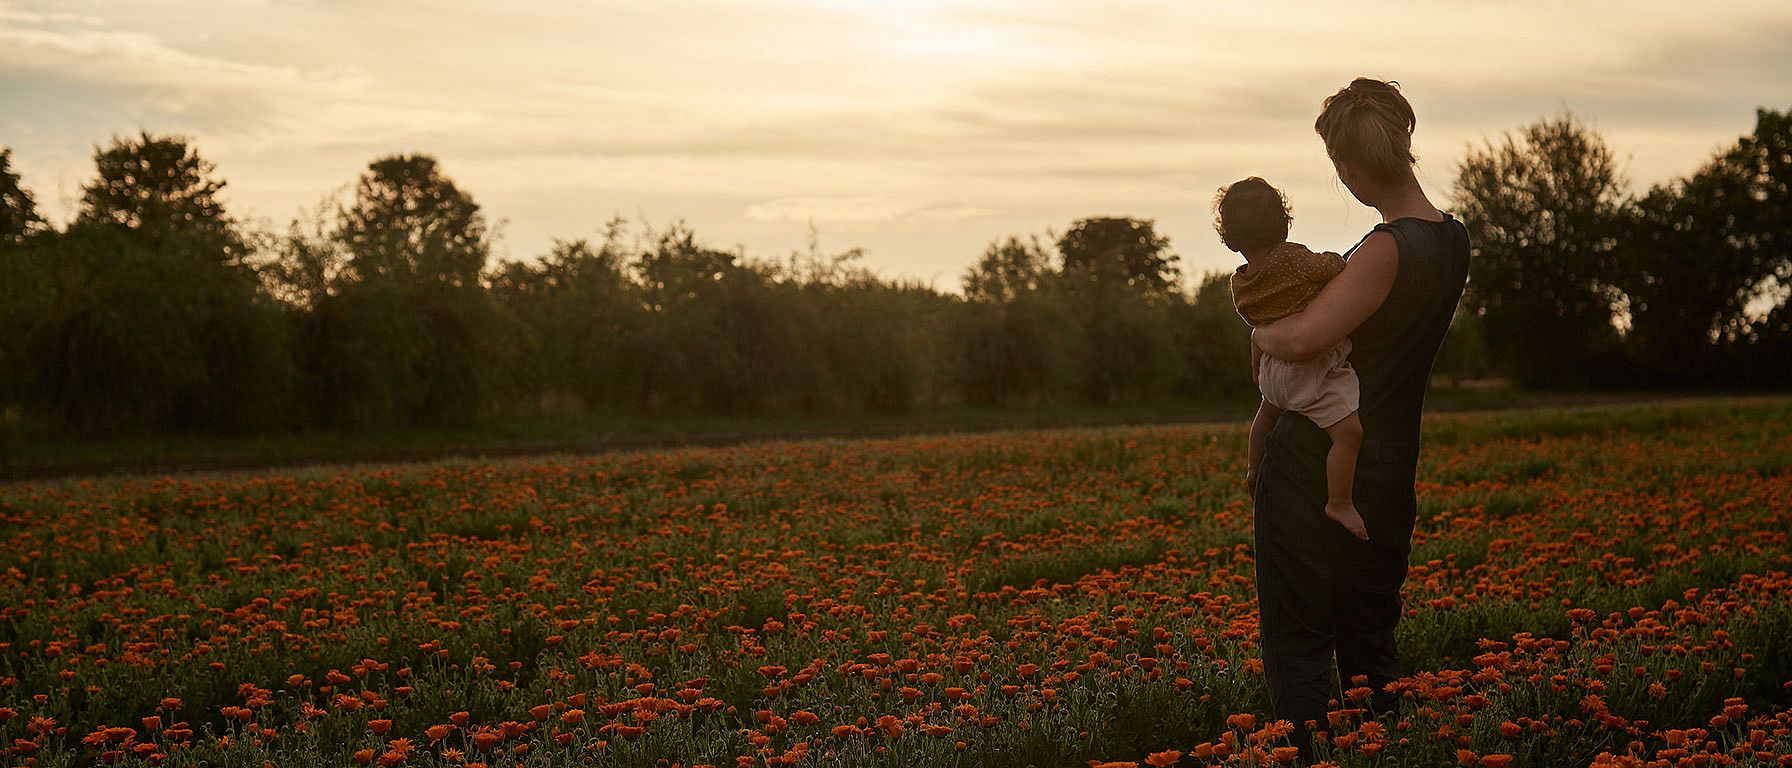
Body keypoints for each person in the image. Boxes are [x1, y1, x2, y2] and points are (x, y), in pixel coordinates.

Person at [1248, 78, 1471, 762]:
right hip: (1389, 462)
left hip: (1312, 462)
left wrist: (1261, 334)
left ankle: (1307, 755)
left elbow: (1304, 339)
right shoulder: (1453, 241)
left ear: (1350, 166)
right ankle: (1387, 750)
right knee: (1371, 628)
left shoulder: (1384, 249)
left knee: (1299, 633)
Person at [1216, 177, 1369, 542]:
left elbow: (1255, 320)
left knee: (1267, 414)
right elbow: (1332, 269)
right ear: (1283, 222)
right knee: (1348, 434)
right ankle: (1340, 502)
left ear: (1231, 236)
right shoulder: (1293, 258)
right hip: (1310, 370)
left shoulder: (1241, 282)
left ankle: (1254, 468)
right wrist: (1341, 260)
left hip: (1272, 372)